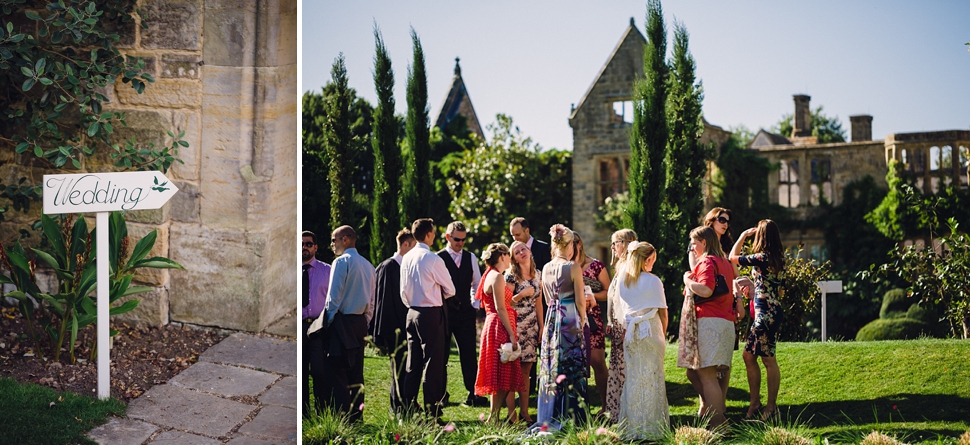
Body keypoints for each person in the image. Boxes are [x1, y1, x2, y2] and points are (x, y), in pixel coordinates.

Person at [306, 226, 376, 423]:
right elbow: (372, 302)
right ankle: (357, 417)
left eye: (334, 240)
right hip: (360, 322)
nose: (332, 244)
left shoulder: (341, 262)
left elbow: (333, 298)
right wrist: (365, 322)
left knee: (337, 372)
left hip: (341, 322)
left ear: (345, 240)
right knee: (356, 372)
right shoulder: (369, 265)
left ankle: (342, 418)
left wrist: (326, 324)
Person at [678, 226, 741, 428]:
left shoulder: (707, 261)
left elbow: (706, 290)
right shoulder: (725, 262)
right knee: (694, 372)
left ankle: (718, 425)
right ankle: (720, 419)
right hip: (725, 323)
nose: (692, 248)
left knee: (707, 377)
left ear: (704, 243)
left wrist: (687, 280)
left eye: (694, 243)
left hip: (709, 322)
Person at [532, 224, 588, 431]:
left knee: (552, 363)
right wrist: (583, 320)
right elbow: (580, 300)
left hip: (552, 317)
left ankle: (549, 415)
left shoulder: (546, 267)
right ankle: (572, 416)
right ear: (570, 244)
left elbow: (547, 299)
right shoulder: (573, 267)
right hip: (569, 317)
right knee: (570, 363)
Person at [400, 218, 456, 423]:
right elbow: (451, 289)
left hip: (411, 311)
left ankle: (407, 410)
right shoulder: (433, 259)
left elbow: (403, 292)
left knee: (412, 363)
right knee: (432, 363)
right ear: (429, 234)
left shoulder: (406, 257)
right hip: (430, 313)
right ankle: (432, 413)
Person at [729, 219, 786, 420]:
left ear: (761, 236)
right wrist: (754, 288)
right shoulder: (778, 258)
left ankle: (769, 408)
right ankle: (758, 404)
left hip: (765, 314)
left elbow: (732, 257)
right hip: (772, 311)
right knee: (751, 356)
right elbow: (771, 287)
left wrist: (743, 235)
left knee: (767, 359)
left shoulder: (762, 257)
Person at [616, 241, 669, 440]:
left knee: (633, 378)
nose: (653, 264)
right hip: (650, 331)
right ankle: (653, 429)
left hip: (632, 334)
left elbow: (621, 312)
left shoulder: (622, 280)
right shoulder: (653, 281)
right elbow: (663, 314)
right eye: (652, 260)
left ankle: (632, 428)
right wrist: (662, 335)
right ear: (646, 260)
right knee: (653, 378)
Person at [437, 221, 486, 407]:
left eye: (464, 240)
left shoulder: (470, 257)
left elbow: (477, 282)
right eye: (457, 239)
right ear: (448, 237)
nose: (461, 243)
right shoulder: (438, 258)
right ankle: (441, 395)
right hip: (444, 312)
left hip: (466, 312)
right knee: (441, 355)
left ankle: (474, 393)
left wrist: (475, 303)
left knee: (469, 354)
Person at [368, 229, 417, 414]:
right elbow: (382, 302)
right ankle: (398, 407)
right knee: (399, 368)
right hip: (394, 328)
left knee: (407, 368)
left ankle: (406, 403)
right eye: (413, 246)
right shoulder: (388, 267)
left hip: (407, 326)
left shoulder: (407, 267)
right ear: (405, 244)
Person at [474, 243, 522, 424]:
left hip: (495, 323)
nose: (510, 258)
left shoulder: (491, 274)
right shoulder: (497, 276)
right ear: (502, 256)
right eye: (508, 254)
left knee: (500, 372)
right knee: (503, 371)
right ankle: (493, 417)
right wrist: (511, 334)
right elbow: (501, 307)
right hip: (499, 326)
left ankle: (493, 417)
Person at [504, 240, 544, 423]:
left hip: (531, 327)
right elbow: (505, 303)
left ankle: (525, 411)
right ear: (514, 258)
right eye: (517, 251)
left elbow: (538, 303)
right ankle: (511, 413)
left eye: (523, 249)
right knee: (513, 370)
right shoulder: (511, 276)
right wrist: (521, 294)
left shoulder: (538, 274)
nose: (522, 252)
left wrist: (541, 327)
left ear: (529, 250)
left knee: (527, 370)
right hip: (515, 326)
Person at [571, 232, 610, 410]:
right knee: (574, 364)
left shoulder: (596, 266)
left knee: (598, 361)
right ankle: (578, 409)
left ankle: (606, 405)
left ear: (579, 244)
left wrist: (590, 295)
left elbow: (608, 292)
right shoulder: (564, 267)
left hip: (592, 318)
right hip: (570, 318)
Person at [604, 228, 637, 421]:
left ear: (624, 244)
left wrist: (624, 325)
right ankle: (617, 412)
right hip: (616, 324)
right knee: (617, 366)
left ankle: (626, 412)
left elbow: (627, 299)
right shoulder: (620, 267)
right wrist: (610, 320)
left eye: (615, 243)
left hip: (625, 325)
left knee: (625, 368)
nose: (612, 247)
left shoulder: (629, 268)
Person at [301, 231, 330, 416]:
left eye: (308, 244)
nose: (304, 247)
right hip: (300, 326)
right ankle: (304, 414)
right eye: (301, 244)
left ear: (316, 247)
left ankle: (322, 413)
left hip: (318, 327)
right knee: (301, 373)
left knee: (319, 371)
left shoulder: (327, 271)